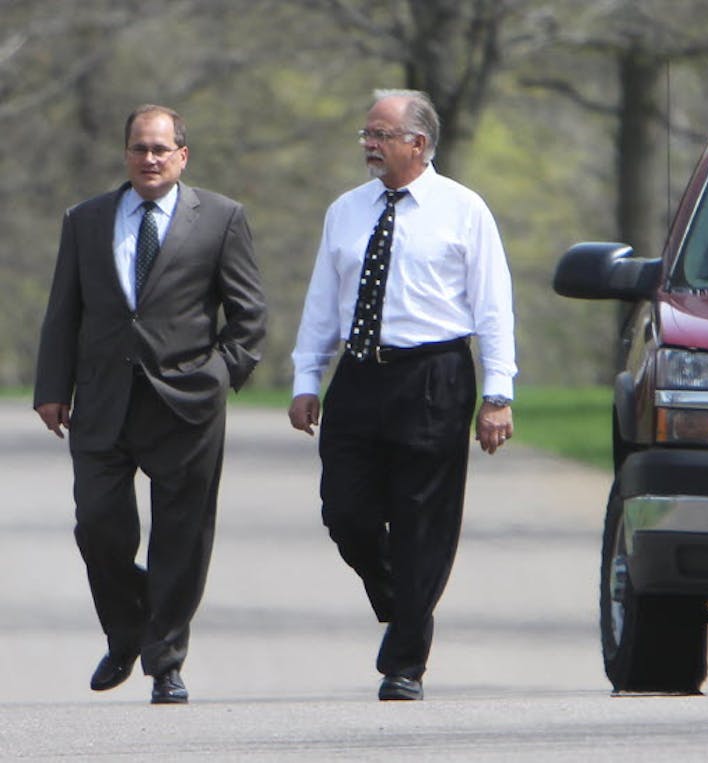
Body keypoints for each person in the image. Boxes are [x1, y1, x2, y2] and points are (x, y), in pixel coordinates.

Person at [287, 89, 517, 701]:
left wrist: (498, 394)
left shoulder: (463, 210)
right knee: (345, 510)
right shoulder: (346, 210)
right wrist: (307, 377)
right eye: (366, 133)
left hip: (434, 375)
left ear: (417, 143)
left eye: (381, 134)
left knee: (423, 521)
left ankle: (405, 661)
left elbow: (493, 307)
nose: (369, 144)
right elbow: (321, 302)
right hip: (360, 376)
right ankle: (400, 597)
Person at [33, 104, 267, 704]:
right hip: (104, 400)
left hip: (186, 402)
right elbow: (65, 310)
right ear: (126, 155)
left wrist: (219, 374)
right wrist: (52, 388)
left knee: (181, 537)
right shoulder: (86, 219)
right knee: (99, 526)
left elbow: (249, 315)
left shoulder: (219, 218)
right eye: (139, 147)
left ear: (182, 155)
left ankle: (165, 661)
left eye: (161, 148)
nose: (150, 158)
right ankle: (127, 626)